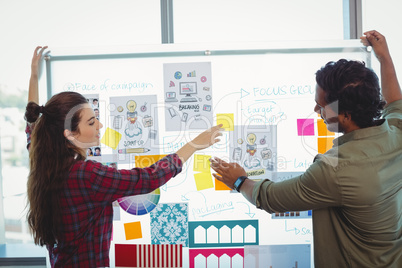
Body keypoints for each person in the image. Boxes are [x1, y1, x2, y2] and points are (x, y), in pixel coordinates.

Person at [211, 30, 402, 268]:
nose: (315, 110)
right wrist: (384, 58)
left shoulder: (337, 170)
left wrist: (239, 181)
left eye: (321, 106)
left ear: (346, 114)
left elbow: (271, 198)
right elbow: (395, 103)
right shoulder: (396, 134)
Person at [25, 46, 223, 267]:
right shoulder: (86, 175)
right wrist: (193, 145)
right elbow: (147, 179)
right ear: (70, 134)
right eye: (91, 122)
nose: (100, 125)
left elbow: (32, 125)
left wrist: (34, 77)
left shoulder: (44, 161)